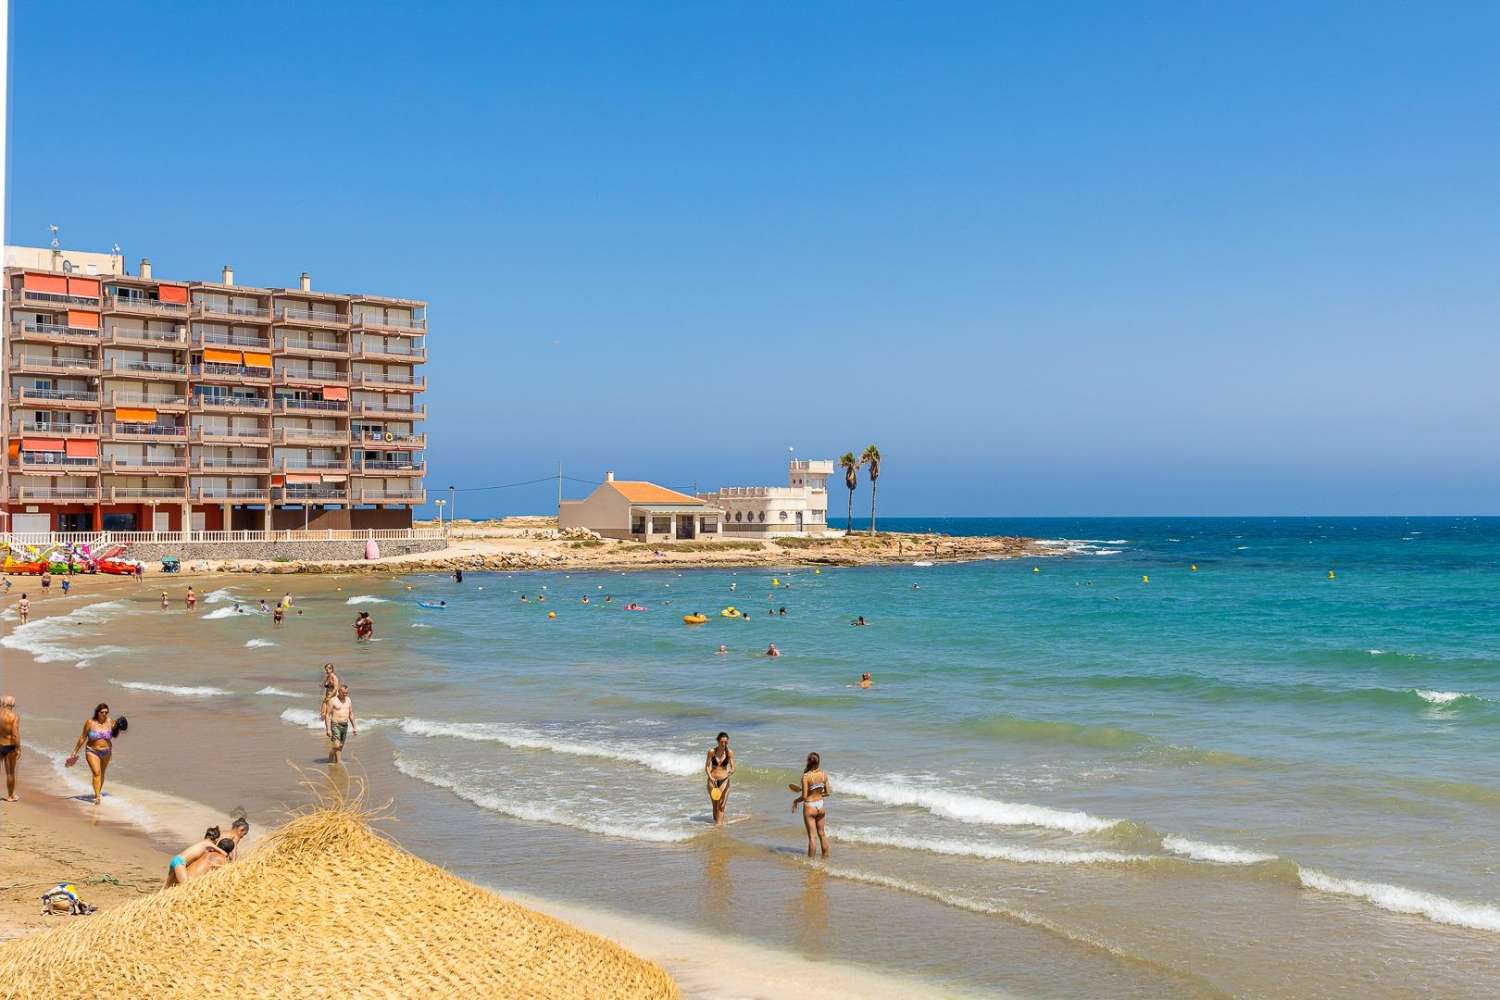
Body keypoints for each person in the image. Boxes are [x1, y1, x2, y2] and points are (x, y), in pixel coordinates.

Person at [67, 703, 127, 805]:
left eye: (106, 712)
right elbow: (83, 737)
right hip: (92, 751)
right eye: (102, 712)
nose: (104, 714)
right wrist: (75, 751)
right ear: (97, 712)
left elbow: (115, 735)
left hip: (106, 752)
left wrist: (119, 727)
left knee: (102, 773)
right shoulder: (90, 723)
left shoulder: (111, 722)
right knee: (96, 773)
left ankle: (98, 791)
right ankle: (97, 796)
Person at [793, 752, 831, 858]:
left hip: (810, 806)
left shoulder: (806, 777)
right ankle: (825, 859)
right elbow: (827, 793)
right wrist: (818, 793)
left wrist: (796, 800)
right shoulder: (824, 774)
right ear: (818, 762)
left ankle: (811, 863)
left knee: (812, 837)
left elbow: (804, 796)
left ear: (808, 762)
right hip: (820, 804)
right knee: (822, 834)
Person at [705, 732, 736, 827]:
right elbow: (706, 767)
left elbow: (733, 767)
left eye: (726, 742)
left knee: (721, 806)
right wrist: (710, 777)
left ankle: (719, 826)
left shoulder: (729, 753)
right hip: (712, 780)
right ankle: (716, 826)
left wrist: (731, 771)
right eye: (722, 742)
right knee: (715, 805)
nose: (724, 744)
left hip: (724, 780)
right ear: (718, 741)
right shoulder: (711, 752)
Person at [325, 685, 357, 764]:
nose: (345, 694)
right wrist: (328, 729)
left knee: (341, 746)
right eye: (344, 693)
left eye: (347, 693)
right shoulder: (333, 700)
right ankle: (334, 760)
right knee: (337, 745)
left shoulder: (348, 700)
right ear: (339, 692)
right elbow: (327, 715)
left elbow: (351, 714)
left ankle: (335, 759)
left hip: (345, 725)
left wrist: (354, 727)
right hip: (335, 724)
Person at [0, 695, 19, 801]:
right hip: (9, 746)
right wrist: (19, 747)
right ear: (12, 704)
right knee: (10, 772)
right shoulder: (14, 716)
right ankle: (10, 796)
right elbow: (15, 734)